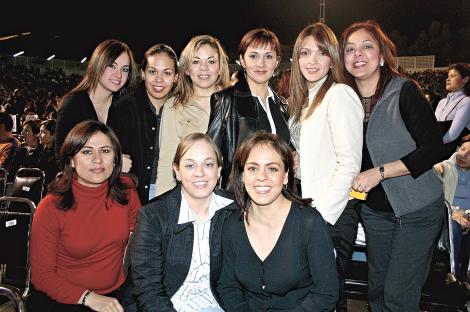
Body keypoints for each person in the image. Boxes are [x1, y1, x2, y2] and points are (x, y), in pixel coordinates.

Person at [340, 20, 445, 311]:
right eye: (350, 49)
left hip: (418, 210)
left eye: (367, 46)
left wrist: (381, 172)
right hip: (375, 214)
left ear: (383, 55)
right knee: (377, 292)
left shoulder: (403, 91)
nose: (358, 54)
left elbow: (433, 148)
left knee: (398, 295)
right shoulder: (343, 99)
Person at [27, 120, 141, 312]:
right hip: (65, 298)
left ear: (115, 158)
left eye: (105, 151)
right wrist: (87, 297)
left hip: (116, 295)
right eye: (87, 152)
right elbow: (41, 275)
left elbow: (138, 233)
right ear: (71, 160)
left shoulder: (126, 189)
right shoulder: (51, 206)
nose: (98, 160)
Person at [288, 22, 363, 312]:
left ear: (333, 57)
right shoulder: (307, 98)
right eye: (305, 53)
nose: (312, 61)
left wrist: (321, 218)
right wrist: (297, 165)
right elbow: (321, 156)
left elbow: (349, 165)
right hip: (311, 208)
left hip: (332, 214)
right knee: (318, 293)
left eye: (321, 53)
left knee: (327, 296)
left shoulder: (339, 94)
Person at [218, 131, 338, 311]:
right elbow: (228, 286)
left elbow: (325, 293)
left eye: (272, 168)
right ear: (242, 176)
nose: (262, 176)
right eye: (252, 168)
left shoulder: (309, 223)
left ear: (286, 176)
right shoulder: (231, 224)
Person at [130, 133, 236, 311]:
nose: (200, 173)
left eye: (208, 164)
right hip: (169, 305)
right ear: (177, 171)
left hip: (219, 305)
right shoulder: (153, 215)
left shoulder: (235, 210)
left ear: (219, 169)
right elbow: (148, 288)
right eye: (189, 165)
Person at [207, 28, 290, 189]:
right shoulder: (225, 100)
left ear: (277, 62)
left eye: (268, 56)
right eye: (253, 56)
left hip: (276, 196)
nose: (261, 63)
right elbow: (210, 157)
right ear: (242, 60)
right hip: (238, 198)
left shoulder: (281, 105)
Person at [156, 35, 231, 196]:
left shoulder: (234, 101)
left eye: (211, 61)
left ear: (220, 67)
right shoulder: (174, 106)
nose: (204, 68)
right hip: (191, 195)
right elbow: (167, 161)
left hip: (230, 197)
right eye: (196, 61)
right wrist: (163, 209)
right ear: (187, 69)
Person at [108, 43, 178, 203]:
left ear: (176, 77)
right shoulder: (124, 108)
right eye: (152, 71)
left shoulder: (181, 109)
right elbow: (110, 153)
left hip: (171, 194)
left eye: (167, 73)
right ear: (143, 73)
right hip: (131, 194)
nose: (159, 80)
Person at [55, 39, 139, 159]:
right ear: (98, 64)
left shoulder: (126, 107)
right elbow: (62, 157)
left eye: (125, 69)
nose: (119, 75)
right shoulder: (73, 104)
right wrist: (115, 165)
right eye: (112, 66)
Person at [434, 134, 470, 282]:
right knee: (453, 226)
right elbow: (434, 194)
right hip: (447, 217)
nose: (463, 155)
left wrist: (467, 215)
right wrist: (454, 212)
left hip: (467, 217)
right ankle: (453, 274)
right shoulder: (444, 167)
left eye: (469, 155)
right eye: (462, 149)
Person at [435, 63, 470, 160]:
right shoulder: (442, 102)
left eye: (453, 76)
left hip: (452, 156)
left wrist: (430, 147)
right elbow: (433, 126)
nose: (448, 79)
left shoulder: (466, 101)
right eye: (448, 76)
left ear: (465, 79)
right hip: (437, 150)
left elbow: (452, 134)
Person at [38, 119, 60, 191]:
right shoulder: (39, 150)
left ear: (53, 135)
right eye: (40, 132)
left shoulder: (58, 155)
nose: (39, 135)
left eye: (43, 132)